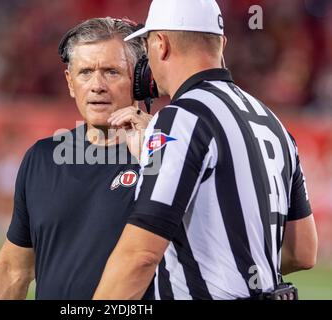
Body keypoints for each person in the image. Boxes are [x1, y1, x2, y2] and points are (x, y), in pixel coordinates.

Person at [94, 0, 318, 300]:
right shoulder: (271, 121)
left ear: (160, 44)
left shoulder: (181, 119)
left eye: (147, 44)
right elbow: (301, 252)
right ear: (221, 43)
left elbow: (140, 256)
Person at [0, 17, 154, 300]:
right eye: (85, 72)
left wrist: (153, 154)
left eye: (111, 72)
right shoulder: (42, 158)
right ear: (70, 83)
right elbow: (13, 270)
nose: (97, 85)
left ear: (142, 82)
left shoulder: (169, 155)